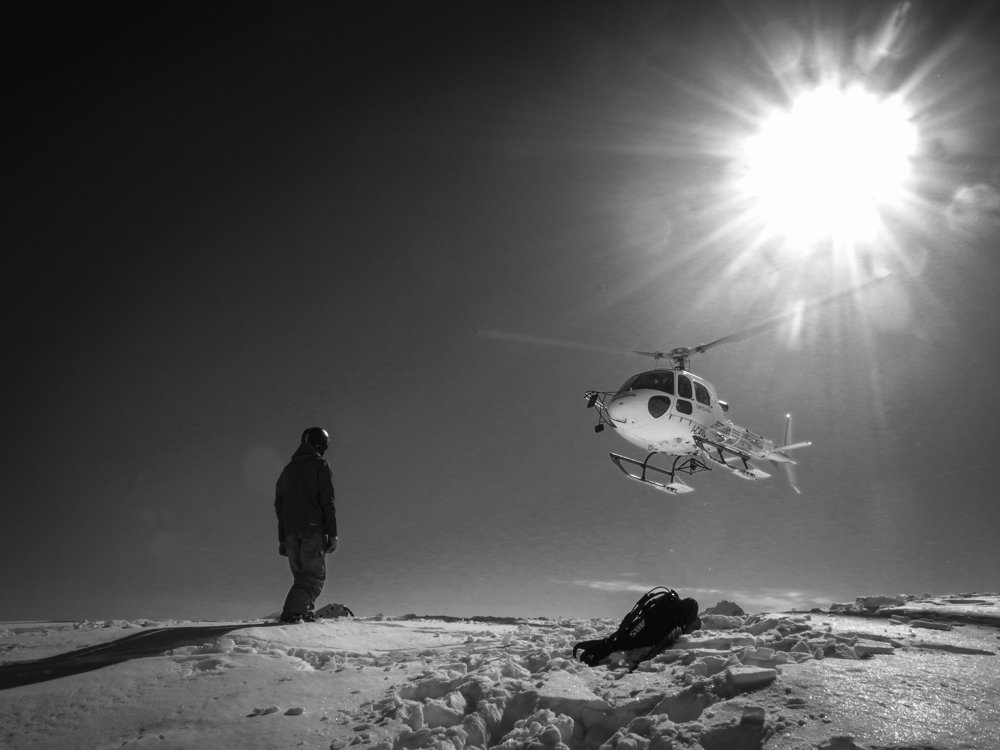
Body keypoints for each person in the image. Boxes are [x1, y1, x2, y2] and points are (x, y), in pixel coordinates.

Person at [274, 427, 338, 623]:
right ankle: (293, 615)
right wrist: (332, 534)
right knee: (312, 578)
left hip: (291, 533)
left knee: (302, 577)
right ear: (320, 444)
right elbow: (327, 501)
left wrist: (283, 538)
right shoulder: (320, 465)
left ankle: (304, 614)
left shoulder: (287, 471)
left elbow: (280, 505)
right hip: (312, 530)